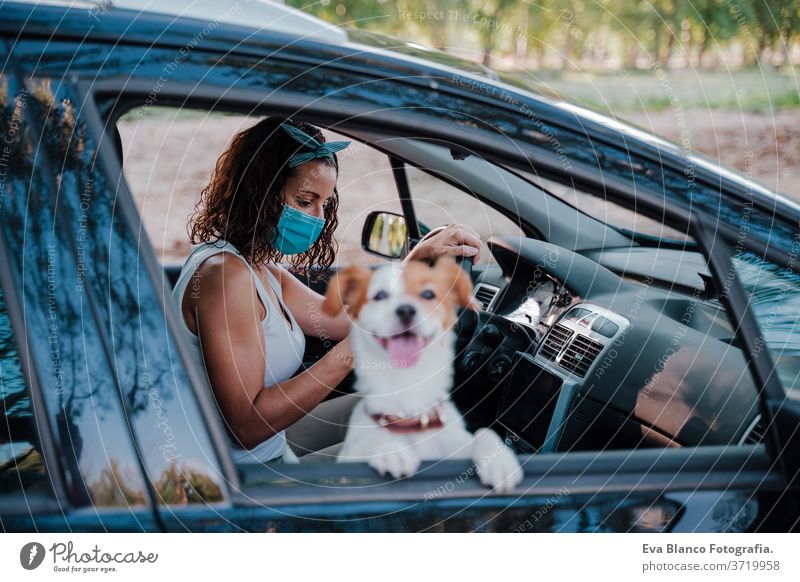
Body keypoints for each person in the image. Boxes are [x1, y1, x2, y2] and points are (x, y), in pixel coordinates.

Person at [171, 117, 481, 463]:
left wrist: (413, 262)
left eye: (325, 203)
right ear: (259, 193)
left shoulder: (260, 270)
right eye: (305, 201)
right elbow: (248, 428)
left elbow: (345, 320)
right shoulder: (224, 277)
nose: (318, 219)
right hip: (244, 479)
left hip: (272, 449)